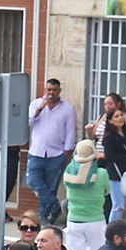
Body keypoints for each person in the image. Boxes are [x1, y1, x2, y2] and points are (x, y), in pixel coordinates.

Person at [26, 78, 78, 224]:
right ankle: (55, 206)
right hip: (37, 151)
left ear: (59, 91)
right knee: (33, 181)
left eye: (54, 90)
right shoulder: (36, 104)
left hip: (56, 153)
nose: (51, 93)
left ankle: (43, 215)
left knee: (51, 186)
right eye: (49, 90)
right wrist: (39, 109)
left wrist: (68, 149)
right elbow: (27, 121)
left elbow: (70, 129)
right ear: (45, 90)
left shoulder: (66, 108)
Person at [62, 138, 111, 250]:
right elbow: (107, 191)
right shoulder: (102, 173)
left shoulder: (68, 173)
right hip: (95, 220)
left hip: (73, 220)